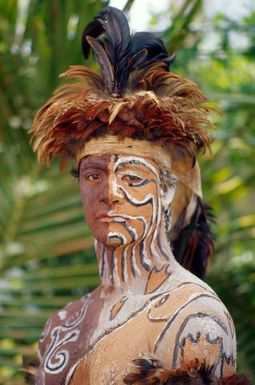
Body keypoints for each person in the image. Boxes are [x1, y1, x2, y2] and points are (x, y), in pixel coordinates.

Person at [30, 6, 249, 385]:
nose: (109, 193)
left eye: (132, 177)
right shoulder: (62, 325)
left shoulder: (196, 318)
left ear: (166, 191)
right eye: (93, 174)